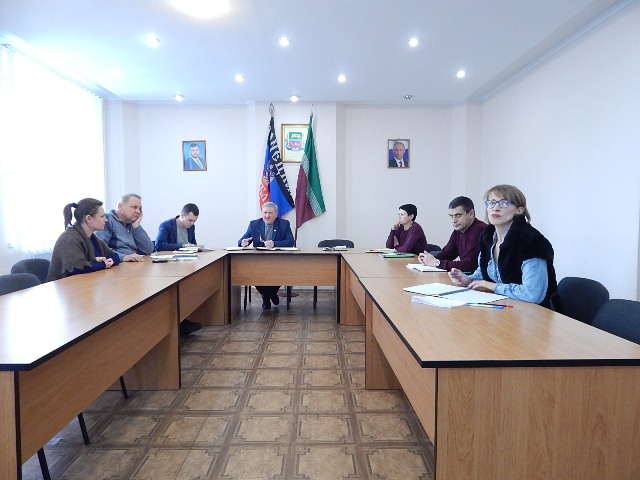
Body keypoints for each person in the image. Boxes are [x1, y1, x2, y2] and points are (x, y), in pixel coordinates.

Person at [448, 184, 558, 307]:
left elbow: (533, 294)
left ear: (519, 210)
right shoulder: (488, 236)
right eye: (491, 203)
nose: (495, 208)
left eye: (504, 203)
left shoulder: (531, 241)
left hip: (537, 312)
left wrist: (493, 286)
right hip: (507, 305)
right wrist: (468, 279)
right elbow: (484, 270)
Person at [155, 203, 203, 335]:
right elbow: (159, 246)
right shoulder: (166, 225)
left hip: (185, 263)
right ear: (182, 215)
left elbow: (191, 243)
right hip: (168, 267)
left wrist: (196, 246)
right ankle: (179, 323)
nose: (192, 224)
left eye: (194, 221)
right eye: (190, 220)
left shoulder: (191, 227)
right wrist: (182, 245)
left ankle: (184, 319)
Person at [47, 198, 120, 281]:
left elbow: (115, 257)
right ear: (88, 219)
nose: (106, 220)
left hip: (86, 282)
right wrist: (103, 264)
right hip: (65, 286)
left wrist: (100, 263)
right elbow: (78, 268)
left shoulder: (92, 238)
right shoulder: (70, 238)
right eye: (102, 216)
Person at [238, 201, 294, 309]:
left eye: (270, 213)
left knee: (279, 272)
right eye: (265, 212)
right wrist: (243, 242)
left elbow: (290, 241)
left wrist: (274, 244)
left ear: (276, 214)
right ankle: (271, 295)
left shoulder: (284, 224)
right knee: (251, 273)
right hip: (258, 260)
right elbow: (243, 239)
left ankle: (266, 298)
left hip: (277, 260)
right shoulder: (254, 224)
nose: (267, 216)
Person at [418, 196, 487, 272]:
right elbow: (447, 254)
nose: (454, 220)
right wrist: (427, 259)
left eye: (458, 215)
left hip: (478, 277)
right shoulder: (458, 230)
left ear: (471, 214)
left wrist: (436, 262)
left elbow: (468, 265)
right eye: (451, 216)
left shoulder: (480, 230)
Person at [95, 193, 155, 262]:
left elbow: (148, 250)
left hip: (132, 264)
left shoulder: (132, 223)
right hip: (117, 264)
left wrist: (136, 227)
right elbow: (99, 248)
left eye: (140, 208)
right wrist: (123, 257)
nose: (138, 211)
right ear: (120, 206)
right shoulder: (106, 220)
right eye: (134, 207)